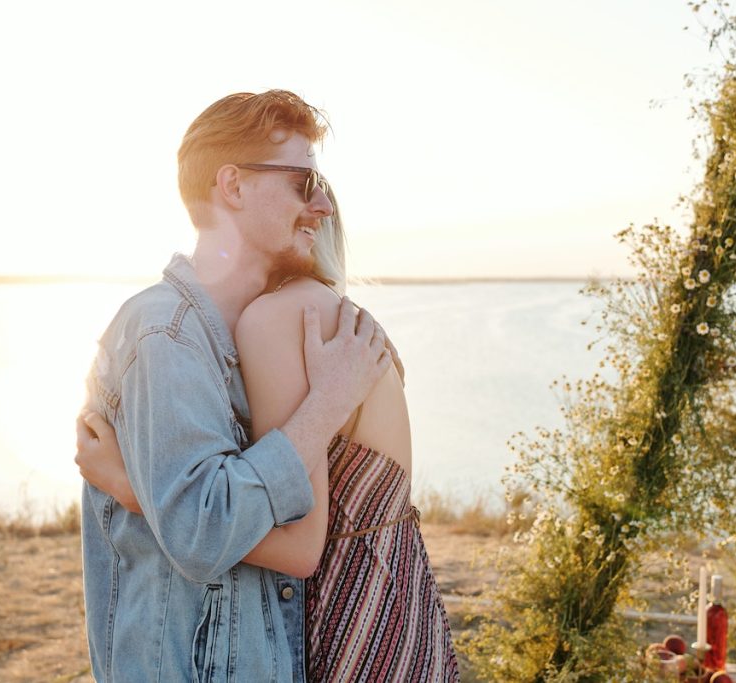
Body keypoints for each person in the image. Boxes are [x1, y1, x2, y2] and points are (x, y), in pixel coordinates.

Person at [78, 187, 461, 681]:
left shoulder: (281, 319)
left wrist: (140, 492)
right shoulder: (345, 319)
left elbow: (301, 547)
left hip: (350, 613)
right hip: (401, 599)